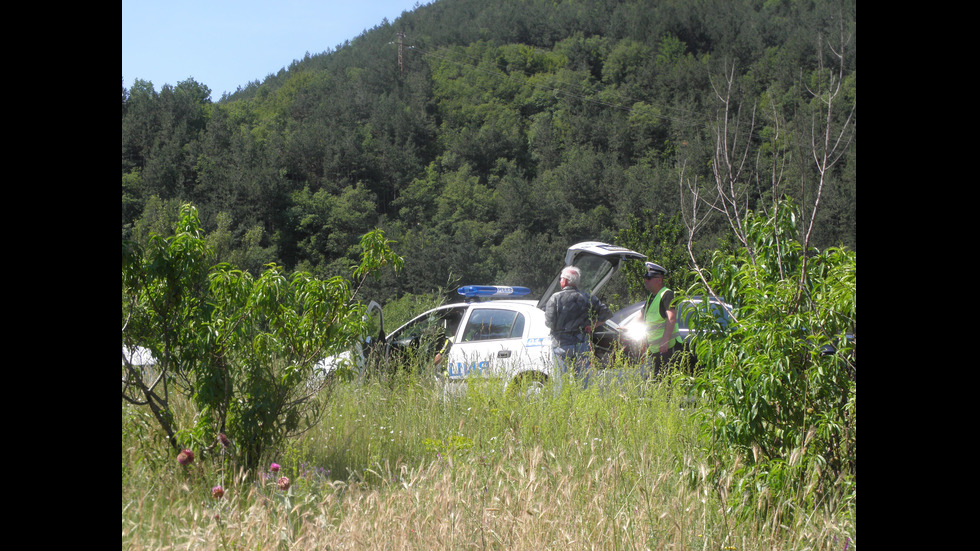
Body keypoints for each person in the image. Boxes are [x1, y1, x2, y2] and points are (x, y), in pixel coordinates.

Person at [544, 266, 612, 385]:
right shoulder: (588, 298)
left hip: (561, 345)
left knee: (561, 382)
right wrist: (593, 325)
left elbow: (549, 322)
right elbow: (606, 314)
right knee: (582, 382)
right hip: (581, 344)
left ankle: (562, 403)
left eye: (561, 279)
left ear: (564, 281)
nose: (560, 281)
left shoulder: (555, 298)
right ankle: (582, 403)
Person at [640, 262, 684, 379]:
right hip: (657, 349)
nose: (645, 280)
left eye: (648, 277)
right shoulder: (652, 297)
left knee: (666, 382)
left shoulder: (667, 294)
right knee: (657, 381)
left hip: (668, 347)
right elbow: (641, 314)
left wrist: (665, 340)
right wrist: (627, 327)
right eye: (645, 277)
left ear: (659, 280)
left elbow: (671, 318)